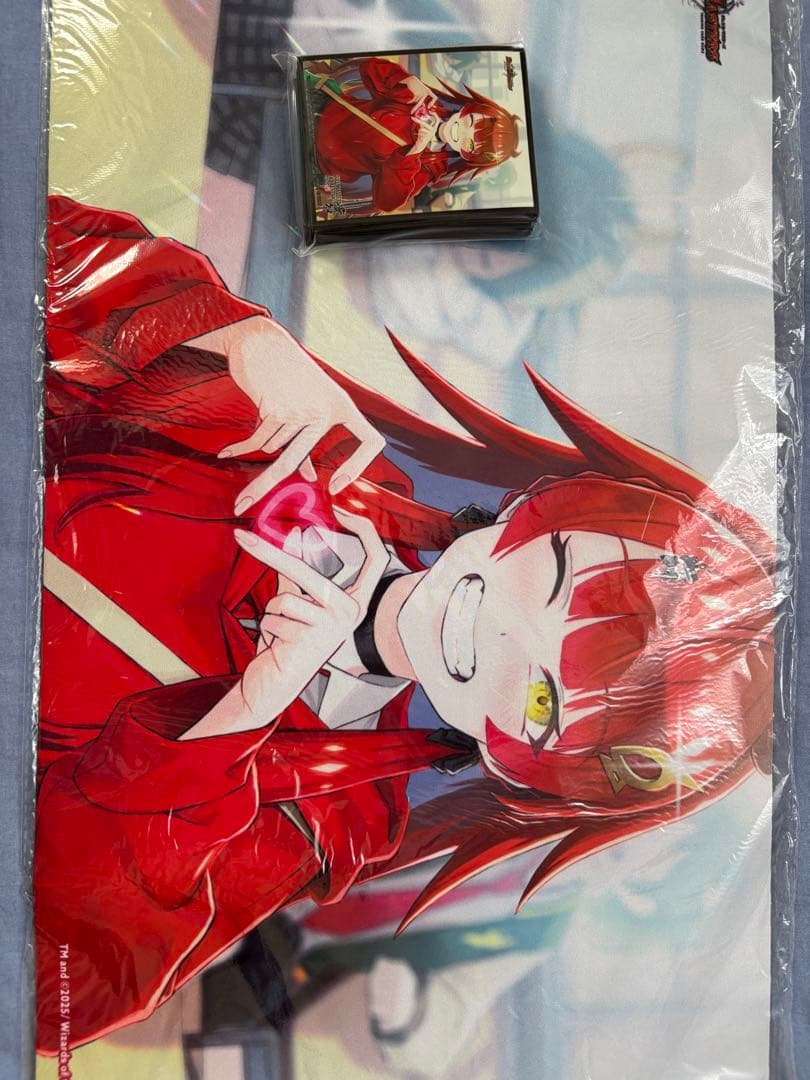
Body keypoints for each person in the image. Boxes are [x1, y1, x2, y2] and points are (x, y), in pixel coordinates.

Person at [36, 195, 774, 1055]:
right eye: (555, 574)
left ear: (518, 762)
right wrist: (224, 331)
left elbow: (55, 986)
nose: (500, 634)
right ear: (540, 506)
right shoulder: (314, 451)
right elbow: (40, 245)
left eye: (541, 701)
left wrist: (244, 711)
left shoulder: (326, 813)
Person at [311, 56, 521, 213]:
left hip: (319, 165)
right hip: (320, 106)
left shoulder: (428, 167)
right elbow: (368, 68)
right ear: (468, 108)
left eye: (470, 145)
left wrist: (416, 150)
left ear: (469, 157)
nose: (461, 131)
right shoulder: (423, 100)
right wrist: (405, 79)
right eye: (471, 121)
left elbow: (385, 202)